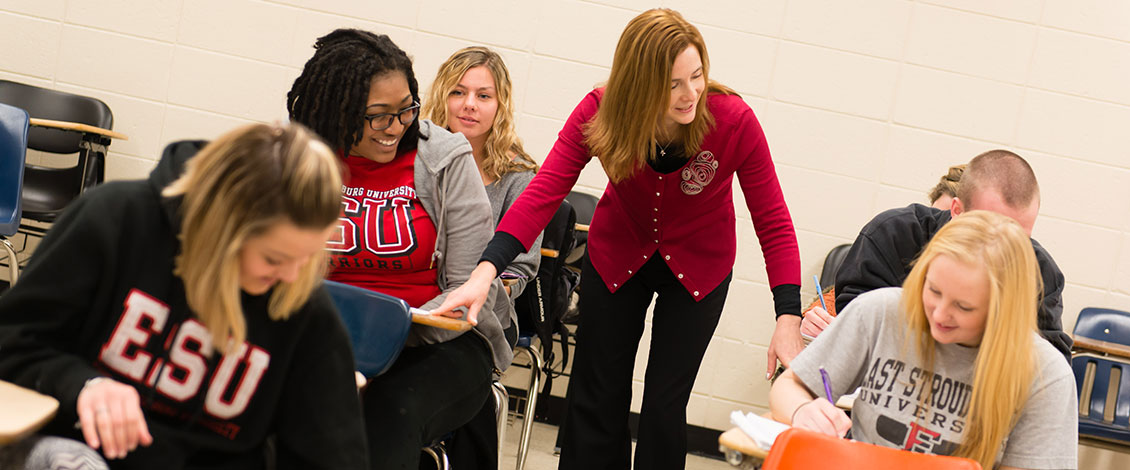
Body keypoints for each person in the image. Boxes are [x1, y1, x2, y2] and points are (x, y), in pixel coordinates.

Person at [435, 9, 803, 469]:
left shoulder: (733, 121)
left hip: (700, 265)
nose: (690, 94)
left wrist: (787, 313)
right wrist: (486, 271)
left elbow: (773, 218)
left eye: (697, 76)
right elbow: (543, 192)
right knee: (597, 394)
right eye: (672, 84)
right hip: (618, 253)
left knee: (665, 406)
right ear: (639, 83)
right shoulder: (600, 112)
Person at [0, 123, 368, 469]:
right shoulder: (115, 220)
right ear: (221, 229)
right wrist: (82, 385)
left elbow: (331, 457)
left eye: (306, 260)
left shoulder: (305, 307)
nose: (291, 276)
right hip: (77, 448)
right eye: (274, 258)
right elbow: (12, 341)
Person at [286, 29, 510, 469]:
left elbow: (464, 293)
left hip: (434, 342)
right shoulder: (302, 157)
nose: (396, 127)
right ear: (338, 110)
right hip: (322, 334)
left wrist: (378, 343)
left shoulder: (444, 157)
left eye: (406, 108)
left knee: (387, 413)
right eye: (377, 116)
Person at [771, 211, 1078, 470]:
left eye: (963, 306)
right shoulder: (880, 311)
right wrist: (802, 411)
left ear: (1002, 312)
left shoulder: (1044, 374)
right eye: (933, 291)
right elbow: (790, 386)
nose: (940, 314)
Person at [801, 150, 1070, 360]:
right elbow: (857, 325)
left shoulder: (1039, 273)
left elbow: (1047, 367)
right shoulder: (893, 235)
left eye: (1019, 237)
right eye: (989, 230)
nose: (1005, 248)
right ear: (957, 210)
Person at [422, 45, 542, 468]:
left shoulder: (518, 177)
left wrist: (478, 291)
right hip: (417, 299)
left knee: (453, 373)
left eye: (483, 95)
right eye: (458, 92)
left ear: (500, 105)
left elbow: (521, 267)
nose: (469, 104)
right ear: (442, 97)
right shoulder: (418, 158)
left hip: (483, 311)